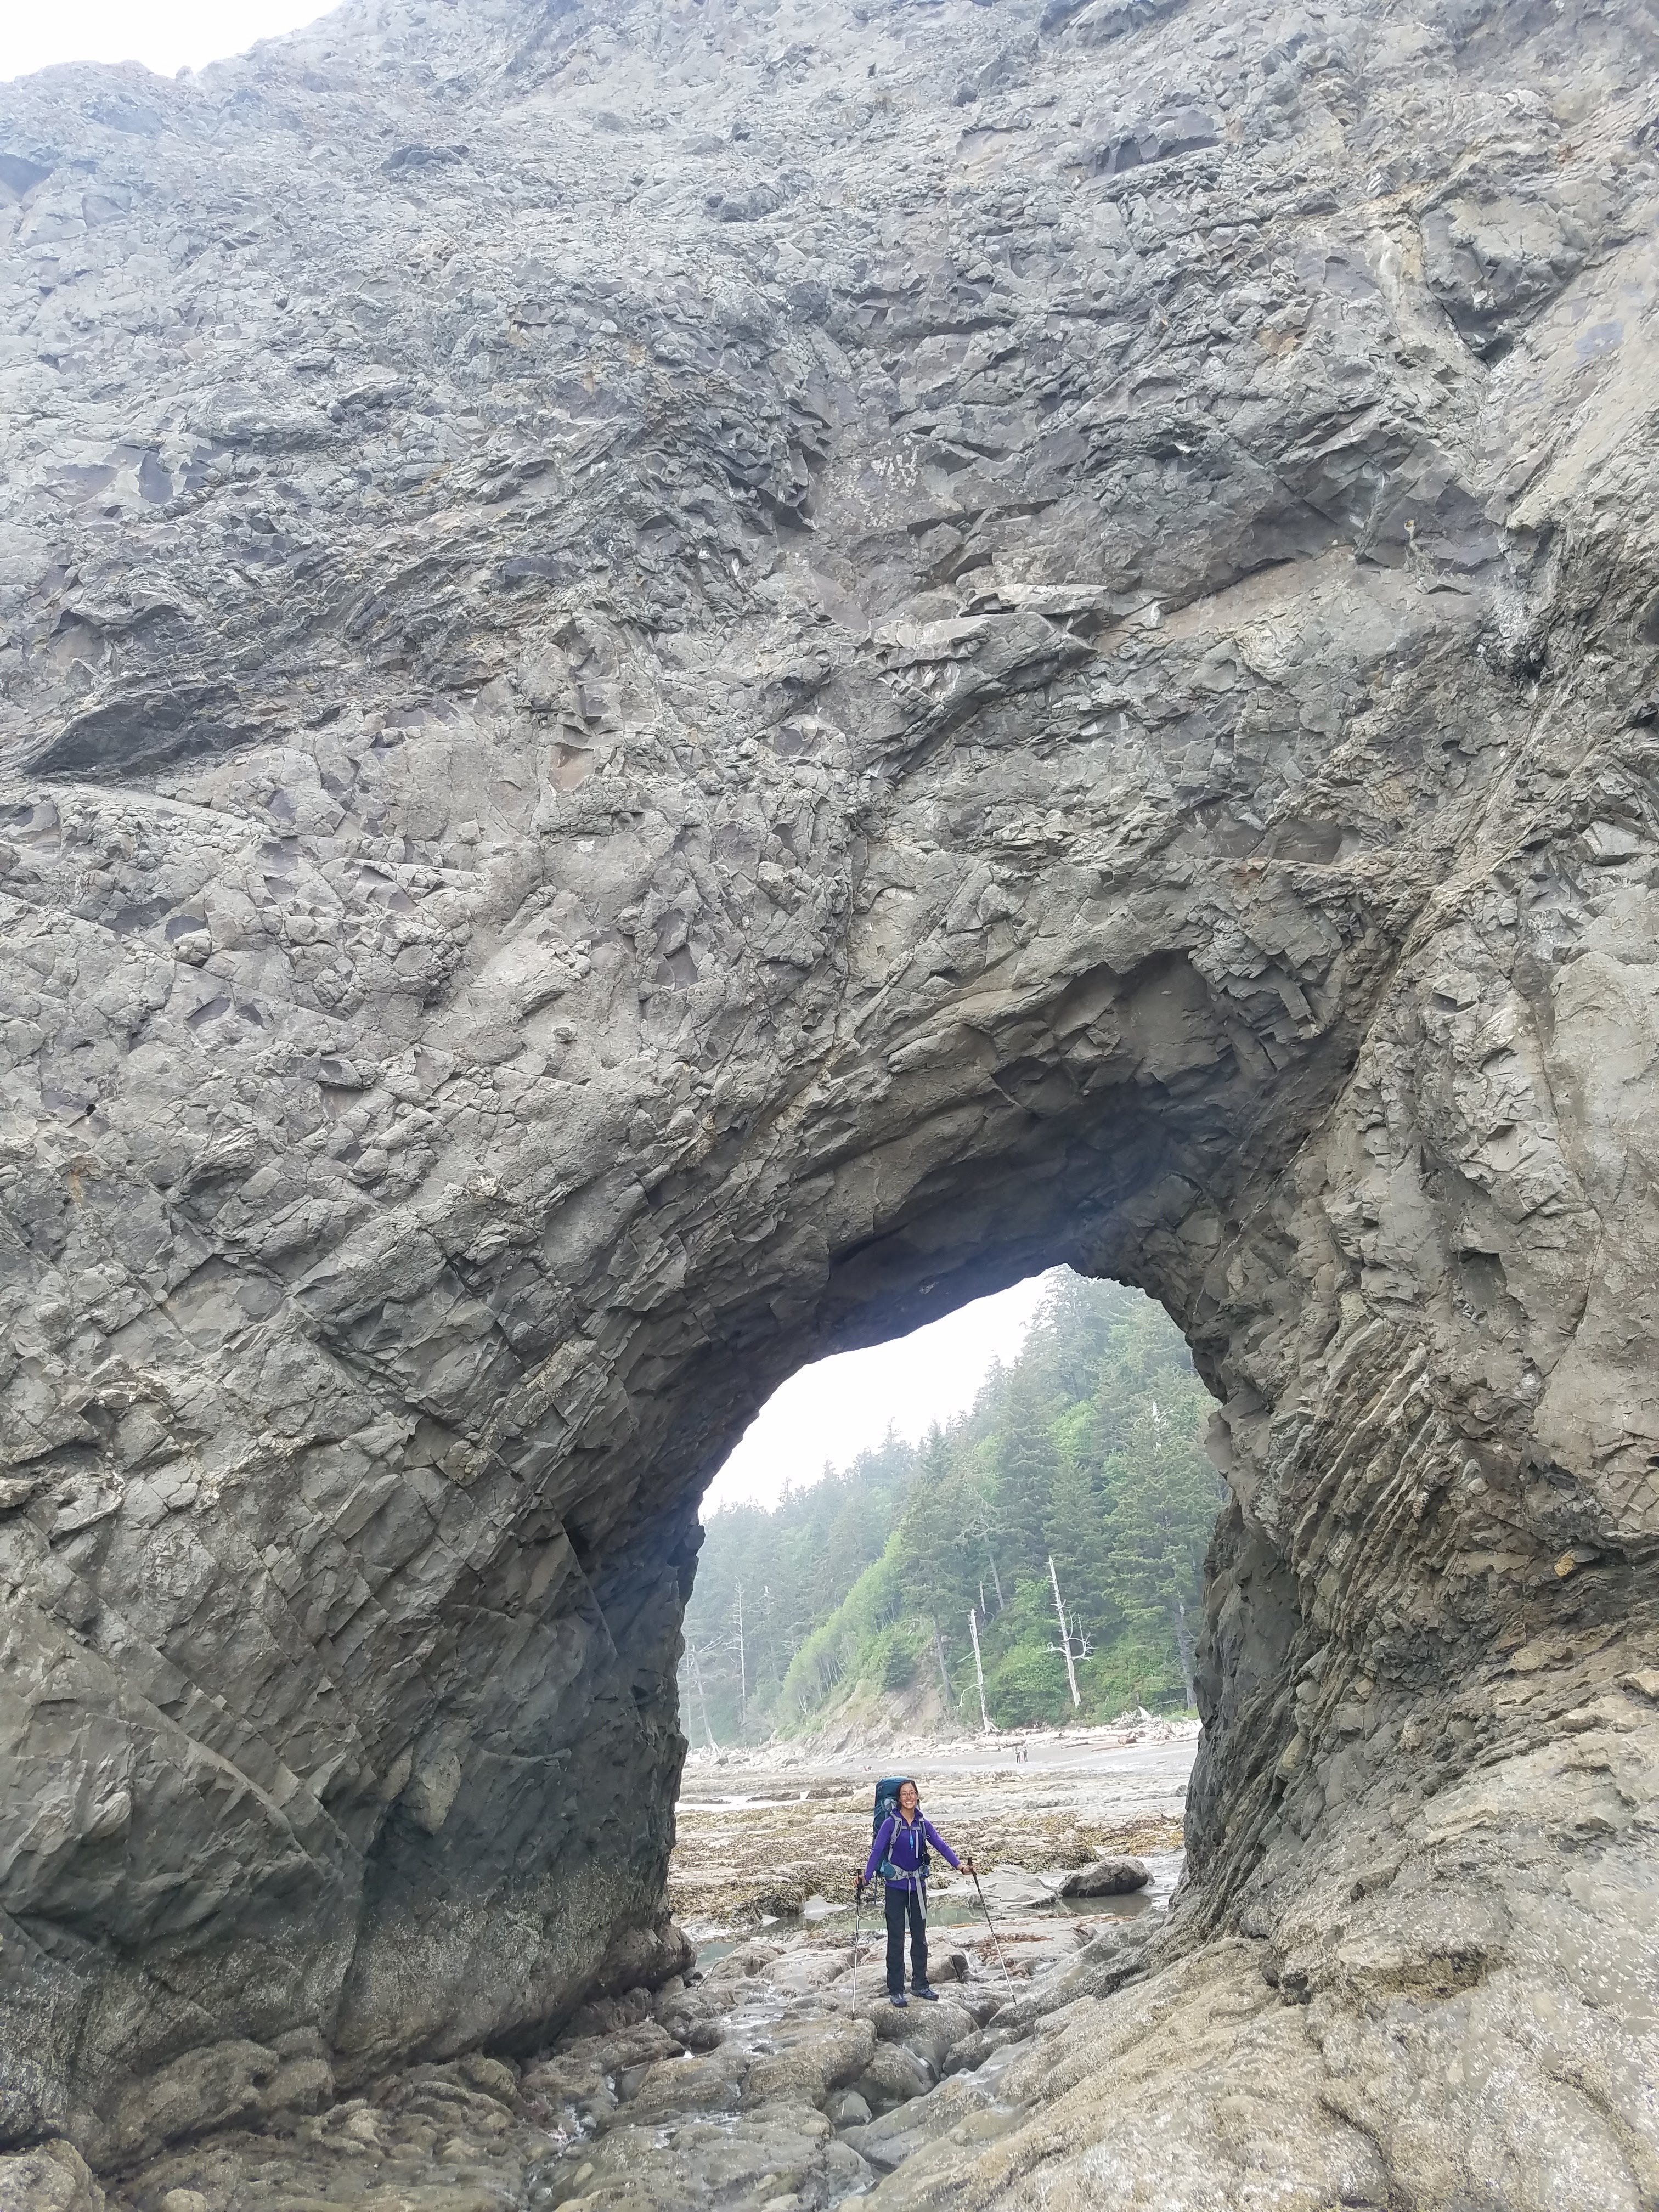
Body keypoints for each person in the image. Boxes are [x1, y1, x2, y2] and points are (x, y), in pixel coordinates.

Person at [857, 1779, 973, 2007]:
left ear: (917, 1797)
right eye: (904, 1794)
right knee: (897, 1939)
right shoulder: (890, 1823)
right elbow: (877, 1850)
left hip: (917, 1887)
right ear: (899, 1799)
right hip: (895, 1889)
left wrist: (960, 1866)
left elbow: (941, 1844)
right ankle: (896, 1989)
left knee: (919, 1938)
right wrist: (866, 1878)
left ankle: (920, 1985)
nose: (909, 1797)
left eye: (912, 1793)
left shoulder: (922, 1823)